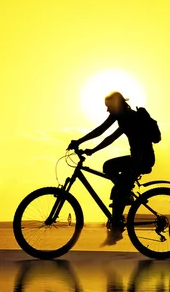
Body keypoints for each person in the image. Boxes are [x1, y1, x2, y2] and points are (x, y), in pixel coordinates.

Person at [67, 91, 160, 245]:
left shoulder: (129, 118)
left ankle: (116, 229)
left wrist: (79, 141)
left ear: (116, 105)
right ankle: (124, 195)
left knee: (118, 191)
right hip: (138, 160)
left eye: (108, 107)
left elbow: (101, 131)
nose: (107, 110)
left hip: (142, 161)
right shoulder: (124, 118)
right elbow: (109, 137)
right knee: (109, 167)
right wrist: (92, 150)